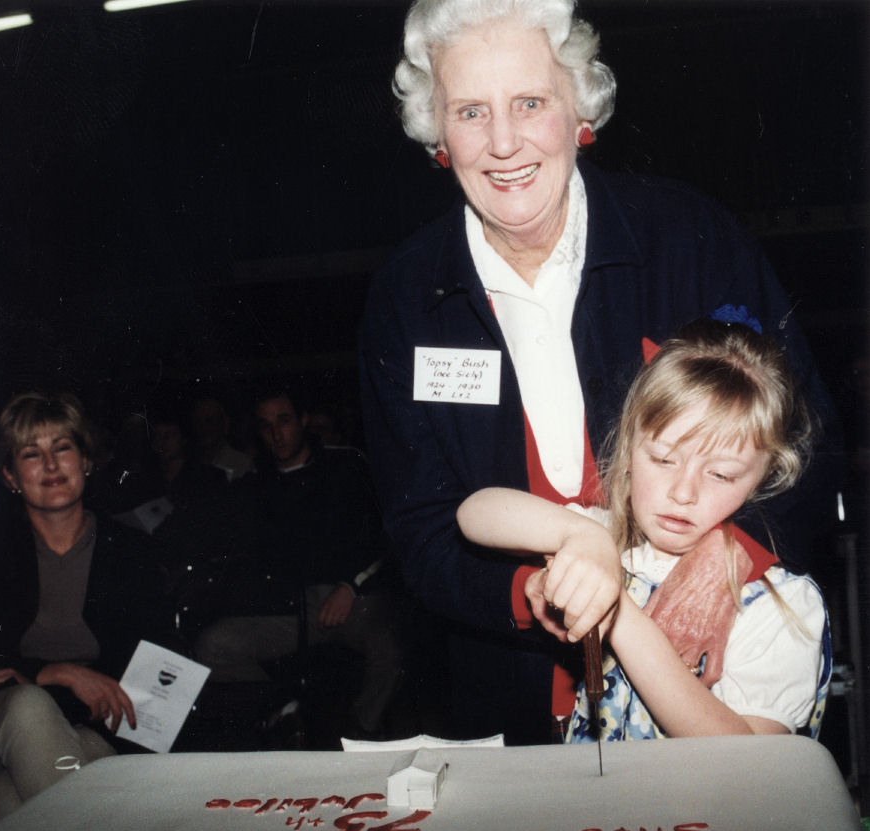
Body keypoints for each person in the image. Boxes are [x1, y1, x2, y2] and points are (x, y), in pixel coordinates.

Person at [358, 0, 840, 744]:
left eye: (529, 102)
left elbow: (801, 448)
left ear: (578, 109)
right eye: (470, 112)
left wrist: (711, 578)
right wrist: (537, 593)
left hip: (701, 681)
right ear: (438, 138)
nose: (504, 142)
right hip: (507, 698)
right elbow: (422, 526)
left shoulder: (691, 238)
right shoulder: (405, 295)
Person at [458, 320, 830, 741]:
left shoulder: (780, 604)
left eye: (722, 475)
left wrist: (616, 611)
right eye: (664, 459)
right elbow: (475, 512)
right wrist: (582, 537)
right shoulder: (605, 538)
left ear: (762, 479)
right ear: (629, 448)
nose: (684, 493)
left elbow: (746, 765)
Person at [0, 392, 171, 828]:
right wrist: (57, 673)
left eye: (62, 448)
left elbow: (159, 672)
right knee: (28, 706)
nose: (52, 466)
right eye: (31, 454)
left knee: (5, 804)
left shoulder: (134, 553)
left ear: (86, 460)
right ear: (9, 475)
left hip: (88, 732)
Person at [194, 389, 405, 740]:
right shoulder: (257, 485)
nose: (277, 434)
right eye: (266, 426)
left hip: (354, 599)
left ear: (303, 420)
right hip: (293, 608)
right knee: (213, 644)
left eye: (284, 421)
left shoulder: (345, 465)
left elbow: (388, 538)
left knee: (392, 649)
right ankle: (281, 709)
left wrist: (351, 586)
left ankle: (359, 731)